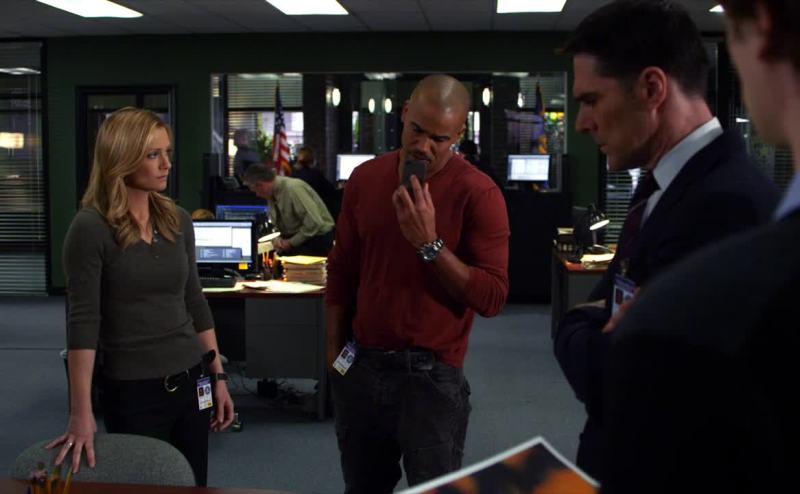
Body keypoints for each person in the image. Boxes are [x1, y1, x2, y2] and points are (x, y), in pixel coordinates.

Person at [552, 0, 779, 482]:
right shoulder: (661, 184)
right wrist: (595, 323)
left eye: (591, 100)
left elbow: (622, 377)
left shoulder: (725, 206)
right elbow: (612, 307)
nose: (581, 123)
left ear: (652, 88)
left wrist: (571, 325)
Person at [325, 74, 510, 492]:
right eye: (417, 131)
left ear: (458, 134)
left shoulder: (479, 193)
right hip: (362, 366)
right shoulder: (365, 178)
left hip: (431, 377)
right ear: (405, 113)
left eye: (439, 139)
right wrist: (334, 356)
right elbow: (342, 269)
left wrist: (430, 245)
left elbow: (493, 297)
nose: (423, 147)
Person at [46, 108, 235, 486]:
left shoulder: (177, 219)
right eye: (153, 155)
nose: (166, 164)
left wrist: (218, 376)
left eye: (167, 153)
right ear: (122, 158)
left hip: (192, 380)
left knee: (194, 481)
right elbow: (83, 323)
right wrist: (80, 412)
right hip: (133, 389)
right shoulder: (90, 227)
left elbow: (195, 301)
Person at [242, 163, 335, 256]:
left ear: (261, 185)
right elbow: (277, 224)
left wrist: (290, 242)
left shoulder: (293, 188)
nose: (257, 195)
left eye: (256, 191)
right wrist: (278, 239)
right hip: (296, 239)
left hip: (316, 240)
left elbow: (314, 223)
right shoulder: (271, 195)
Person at [292, 146, 339, 220]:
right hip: (315, 215)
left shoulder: (293, 175)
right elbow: (331, 191)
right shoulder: (316, 175)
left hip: (298, 214)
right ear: (312, 159)